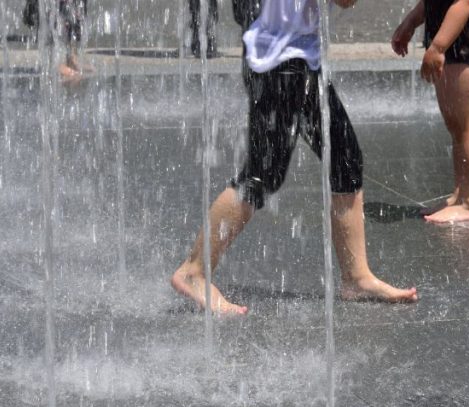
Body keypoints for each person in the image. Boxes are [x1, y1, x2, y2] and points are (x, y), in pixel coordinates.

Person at [170, 0, 418, 315]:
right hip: (282, 62)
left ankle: (356, 277)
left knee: (344, 158)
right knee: (261, 176)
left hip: (293, 57)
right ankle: (193, 271)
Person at [391, 0, 469, 224]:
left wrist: (437, 47)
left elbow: (464, 3)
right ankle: (459, 194)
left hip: (467, 51)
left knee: (466, 127)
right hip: (453, 52)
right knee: (456, 128)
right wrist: (409, 23)